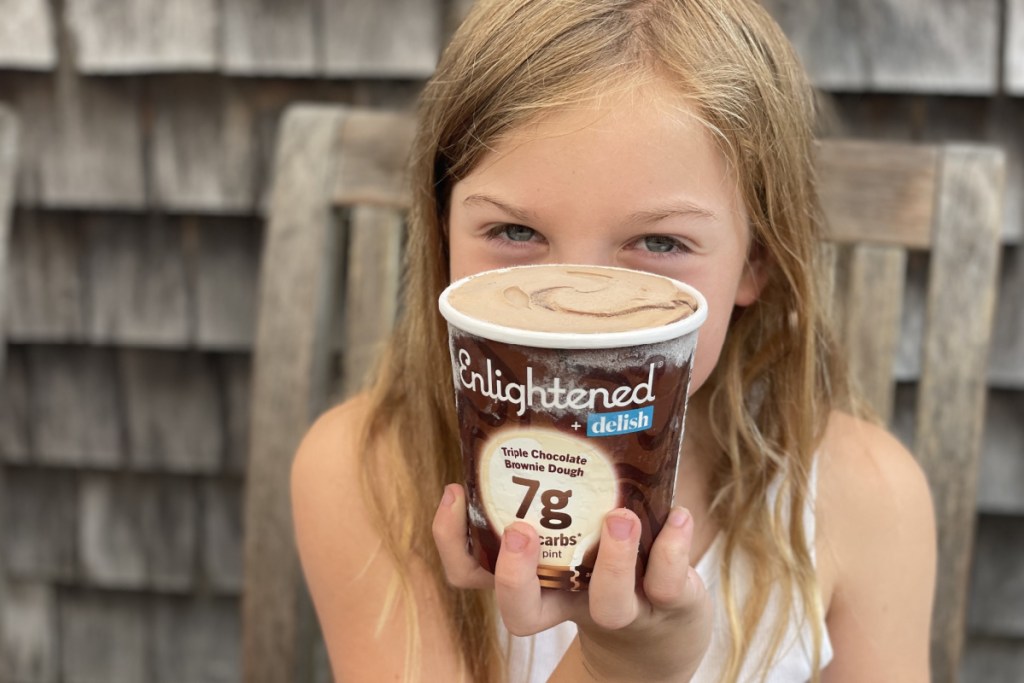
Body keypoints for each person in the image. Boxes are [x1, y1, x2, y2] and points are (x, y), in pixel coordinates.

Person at [291, 0, 937, 681]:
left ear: (758, 260)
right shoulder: (371, 471)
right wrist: (620, 667)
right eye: (515, 232)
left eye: (660, 242)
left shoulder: (862, 498)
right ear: (442, 225)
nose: (577, 313)